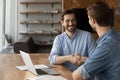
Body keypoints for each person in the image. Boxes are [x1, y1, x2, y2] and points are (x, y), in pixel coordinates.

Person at [72, 2, 120, 80]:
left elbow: (77, 76)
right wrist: (87, 60)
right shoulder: (116, 37)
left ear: (92, 20)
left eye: (88, 18)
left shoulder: (106, 46)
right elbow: (108, 61)